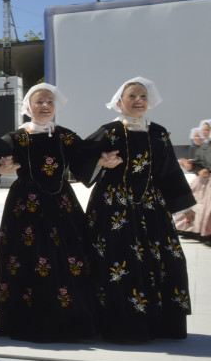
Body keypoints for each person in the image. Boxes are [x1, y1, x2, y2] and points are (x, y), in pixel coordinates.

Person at [0, 84, 120, 342]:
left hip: (61, 204)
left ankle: (69, 320)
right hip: (25, 206)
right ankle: (28, 322)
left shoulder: (65, 136)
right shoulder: (15, 137)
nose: (45, 106)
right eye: (39, 102)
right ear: (28, 107)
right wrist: (0, 167)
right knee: (27, 256)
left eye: (50, 101)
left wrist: (101, 161)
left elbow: (84, 157)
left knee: (69, 256)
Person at [75, 77, 195, 342]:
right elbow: (79, 156)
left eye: (143, 96)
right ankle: (120, 325)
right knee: (120, 262)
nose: (139, 101)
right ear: (120, 102)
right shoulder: (110, 131)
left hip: (151, 206)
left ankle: (160, 323)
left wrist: (184, 205)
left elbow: (169, 171)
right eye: (132, 96)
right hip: (113, 207)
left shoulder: (159, 133)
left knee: (169, 261)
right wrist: (100, 161)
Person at [178, 120, 211, 245]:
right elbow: (199, 163)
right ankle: (193, 230)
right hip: (204, 180)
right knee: (194, 203)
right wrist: (192, 166)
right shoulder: (203, 146)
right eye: (203, 130)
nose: (204, 132)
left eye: (207, 130)